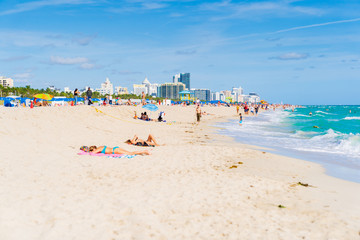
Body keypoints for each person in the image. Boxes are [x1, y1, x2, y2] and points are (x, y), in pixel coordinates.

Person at [80, 145, 150, 155]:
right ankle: (142, 152)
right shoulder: (101, 147)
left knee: (130, 153)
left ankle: (144, 151)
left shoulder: (98, 149)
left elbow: (92, 153)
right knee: (129, 152)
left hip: (115, 151)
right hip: (115, 149)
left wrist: (88, 151)